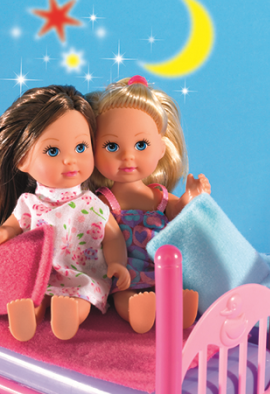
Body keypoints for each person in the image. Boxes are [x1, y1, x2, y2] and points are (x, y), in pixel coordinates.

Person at [0, 85, 130, 341]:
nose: (70, 159)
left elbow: (112, 237)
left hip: (81, 274)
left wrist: (117, 263)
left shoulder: (93, 203)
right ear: (22, 160)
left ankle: (70, 316)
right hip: (39, 274)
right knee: (34, 295)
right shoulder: (29, 203)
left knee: (82, 298)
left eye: (81, 147)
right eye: (53, 151)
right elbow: (11, 227)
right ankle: (28, 317)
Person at [87, 75, 210, 333]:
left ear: (161, 149)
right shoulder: (103, 201)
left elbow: (180, 214)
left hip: (164, 269)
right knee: (124, 298)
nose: (127, 156)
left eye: (141, 145)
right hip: (126, 274)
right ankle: (139, 312)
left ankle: (177, 308)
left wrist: (190, 198)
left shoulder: (160, 197)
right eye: (112, 146)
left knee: (175, 288)